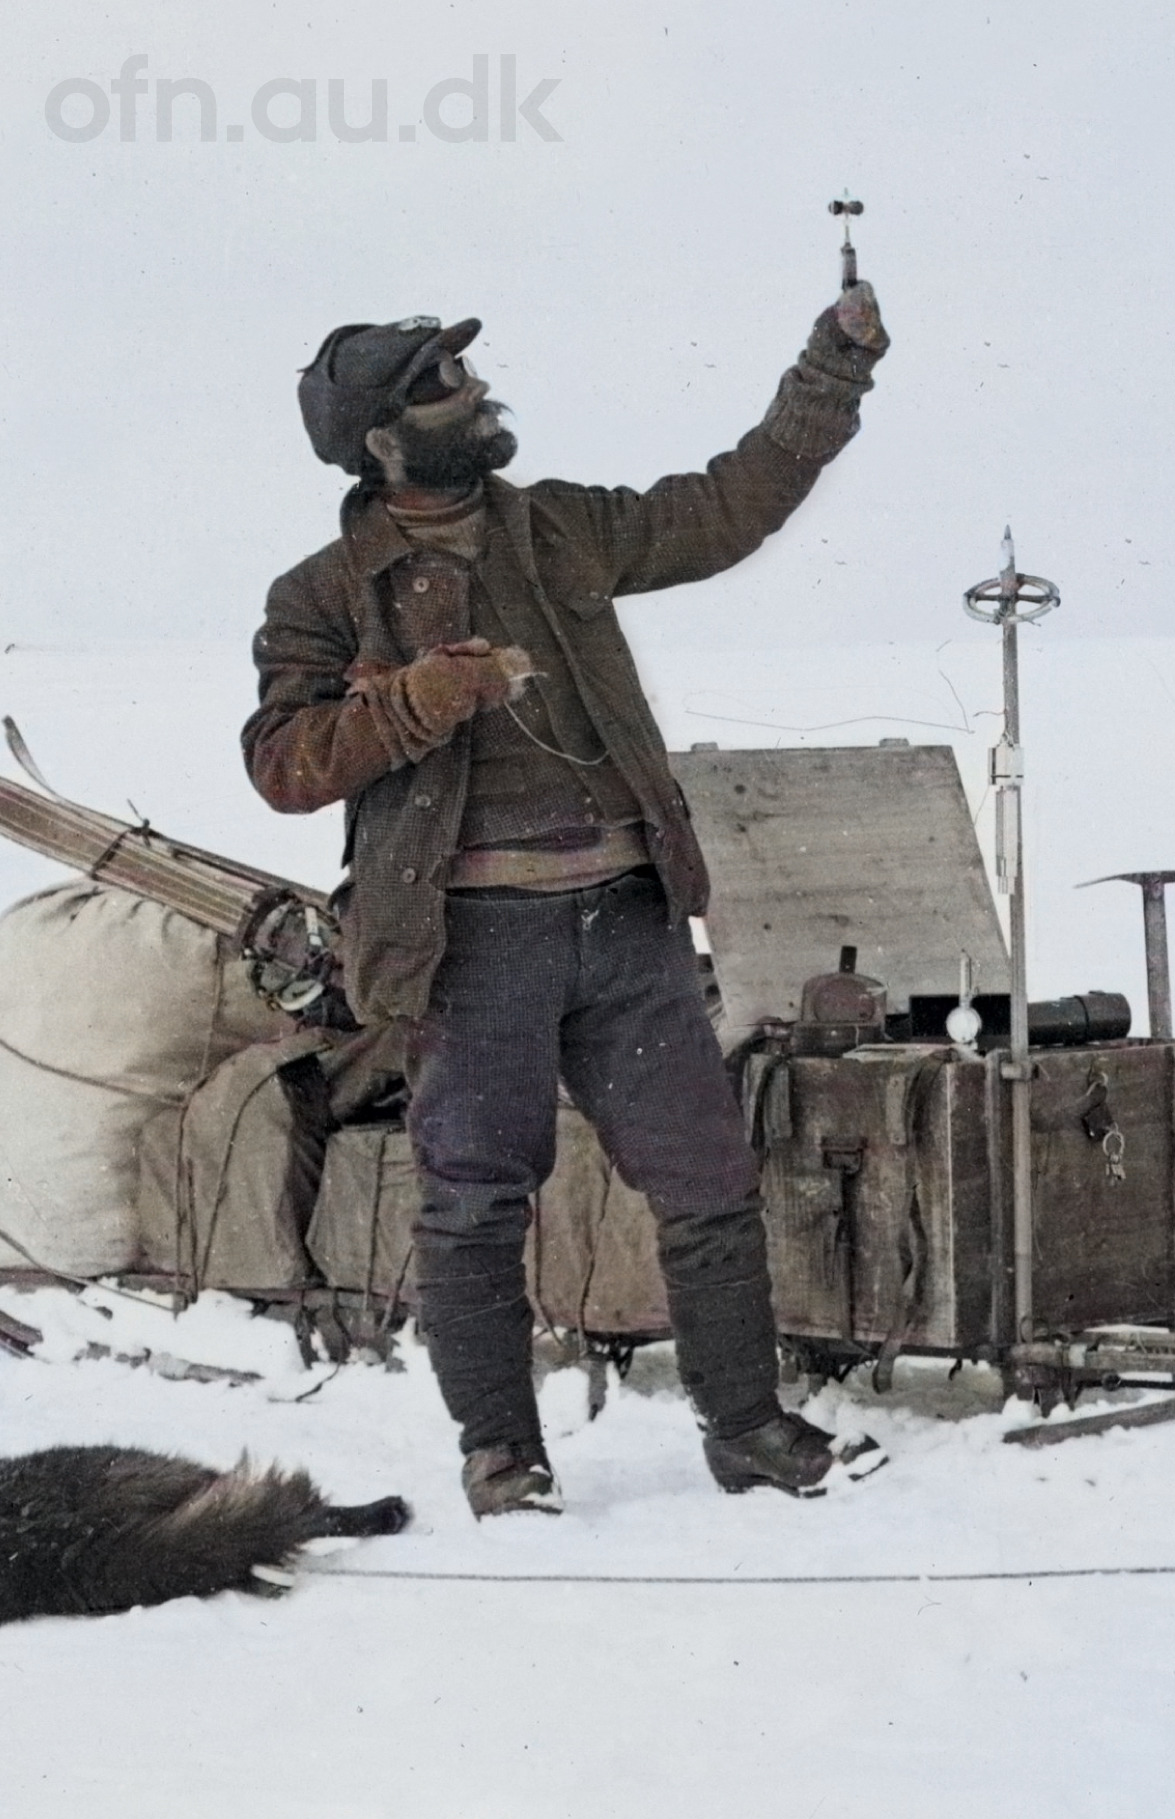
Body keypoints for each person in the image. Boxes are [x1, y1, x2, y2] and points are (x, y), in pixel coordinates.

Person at [245, 283, 890, 1517]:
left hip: (627, 925)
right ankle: (502, 1453)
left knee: (708, 1180)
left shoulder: (561, 531)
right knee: (475, 1204)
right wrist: (422, 700)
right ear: (384, 440)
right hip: (470, 947)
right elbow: (283, 763)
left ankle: (746, 1427)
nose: (476, 394)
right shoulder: (320, 594)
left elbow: (729, 504)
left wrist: (834, 366)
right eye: (443, 385)